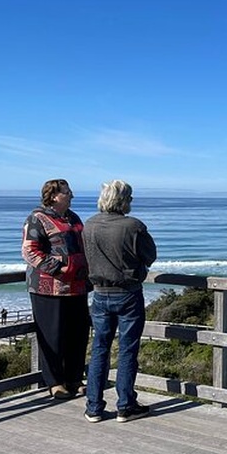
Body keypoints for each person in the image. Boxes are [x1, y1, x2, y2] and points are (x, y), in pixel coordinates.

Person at [82, 180, 157, 423]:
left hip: (100, 294)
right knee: (127, 350)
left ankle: (94, 406)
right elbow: (150, 255)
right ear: (124, 200)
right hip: (128, 293)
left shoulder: (89, 224)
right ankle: (125, 405)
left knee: (99, 349)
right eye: (130, 198)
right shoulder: (133, 226)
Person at [22, 179, 92, 400]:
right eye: (66, 192)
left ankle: (74, 378)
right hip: (48, 289)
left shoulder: (73, 217)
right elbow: (30, 251)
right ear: (53, 196)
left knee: (78, 334)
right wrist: (61, 269)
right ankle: (55, 382)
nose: (71, 195)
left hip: (77, 287)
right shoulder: (37, 218)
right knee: (52, 335)